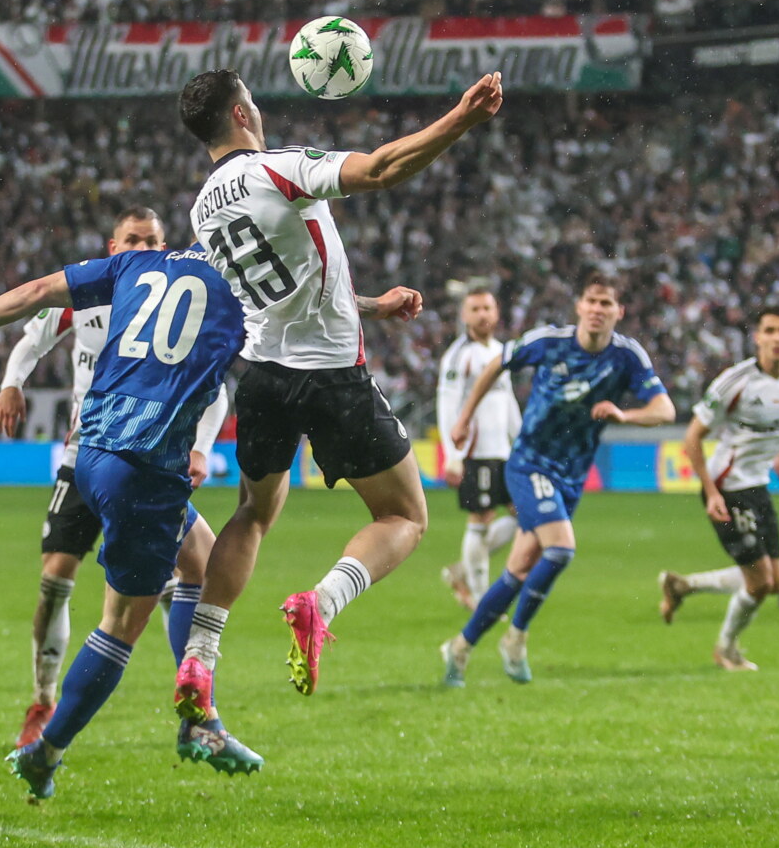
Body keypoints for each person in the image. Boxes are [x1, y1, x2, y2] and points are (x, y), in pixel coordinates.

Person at [172, 67, 504, 709]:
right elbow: (380, 169)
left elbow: (276, 284)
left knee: (253, 512)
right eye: (253, 101)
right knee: (405, 515)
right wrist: (460, 119)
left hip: (264, 378)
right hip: (331, 376)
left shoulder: (202, 209)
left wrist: (371, 305)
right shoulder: (279, 168)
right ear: (242, 115)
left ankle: (199, 657)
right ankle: (320, 603)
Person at [0, 242, 260, 799]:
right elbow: (306, 301)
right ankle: (48, 751)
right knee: (122, 623)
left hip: (92, 453)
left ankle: (202, 716)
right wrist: (367, 308)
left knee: (202, 556)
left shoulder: (138, 267)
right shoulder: (237, 284)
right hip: (144, 466)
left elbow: (35, 293)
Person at [0, 208, 229, 749]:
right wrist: (12, 382)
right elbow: (32, 334)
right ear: (112, 243)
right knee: (56, 579)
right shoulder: (94, 289)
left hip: (147, 460)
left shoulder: (178, 294)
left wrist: (199, 447)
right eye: (132, 239)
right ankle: (43, 700)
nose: (141, 246)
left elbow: (218, 387)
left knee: (173, 580)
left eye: (151, 240)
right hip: (85, 456)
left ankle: (195, 697)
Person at [440, 272, 675, 686]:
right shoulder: (547, 342)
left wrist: (626, 415)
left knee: (518, 569)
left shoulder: (627, 356)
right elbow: (498, 363)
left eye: (607, 304)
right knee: (561, 549)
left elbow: (665, 410)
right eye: (591, 301)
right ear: (579, 307)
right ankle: (516, 638)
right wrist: (463, 419)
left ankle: (459, 647)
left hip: (571, 476)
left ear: (619, 311)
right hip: (529, 464)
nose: (598, 310)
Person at [656, 307, 779, 670]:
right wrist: (711, 491)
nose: (777, 338)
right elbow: (693, 437)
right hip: (727, 486)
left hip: (758, 485)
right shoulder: (735, 382)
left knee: (776, 581)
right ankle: (726, 649)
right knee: (760, 581)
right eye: (770, 330)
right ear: (758, 338)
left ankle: (683, 586)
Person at [436, 288, 521, 609]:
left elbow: (508, 399)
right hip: (475, 451)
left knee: (525, 516)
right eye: (476, 309)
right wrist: (453, 456)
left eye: (488, 307)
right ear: (464, 316)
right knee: (481, 518)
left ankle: (463, 572)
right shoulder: (458, 356)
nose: (483, 314)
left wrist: (522, 441)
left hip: (504, 451)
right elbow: (447, 406)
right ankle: (482, 599)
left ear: (497, 312)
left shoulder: (502, 351)